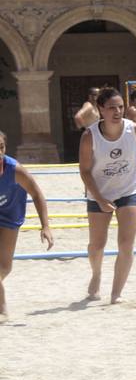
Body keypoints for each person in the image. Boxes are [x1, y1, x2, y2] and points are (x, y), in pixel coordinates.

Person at [79, 88, 136, 303]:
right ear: (101, 110)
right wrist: (100, 199)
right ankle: (96, 275)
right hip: (99, 192)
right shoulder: (89, 136)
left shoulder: (134, 129)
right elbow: (85, 171)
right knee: (97, 245)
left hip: (128, 190)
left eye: (120, 107)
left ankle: (116, 293)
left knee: (126, 244)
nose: (117, 111)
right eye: (111, 108)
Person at [0, 130, 56, 321]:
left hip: (10, 216)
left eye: (1, 147)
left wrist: (45, 226)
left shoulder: (15, 170)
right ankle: (2, 307)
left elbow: (37, 194)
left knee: (5, 267)